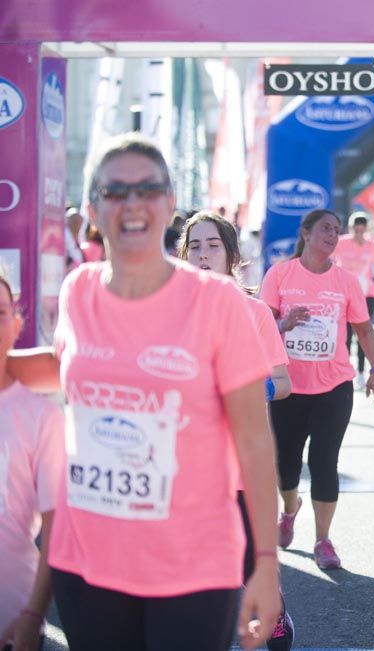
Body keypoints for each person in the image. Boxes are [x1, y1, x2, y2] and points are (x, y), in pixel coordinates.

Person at [7, 133, 282, 650]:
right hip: (86, 558)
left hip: (192, 563)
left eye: (148, 189)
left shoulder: (216, 300)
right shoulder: (78, 288)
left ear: (169, 203)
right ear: (93, 207)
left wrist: (265, 565)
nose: (132, 204)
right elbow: (66, 369)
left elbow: (254, 442)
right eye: (115, 192)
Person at [177, 211, 295, 651]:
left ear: (231, 255)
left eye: (212, 246)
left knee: (248, 563)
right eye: (194, 247)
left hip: (242, 461)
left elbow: (283, 383)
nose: (203, 255)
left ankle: (273, 607)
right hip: (184, 462)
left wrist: (241, 387)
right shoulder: (168, 310)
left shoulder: (254, 311)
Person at [260, 209, 374, 571]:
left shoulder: (345, 281)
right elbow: (261, 327)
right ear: (306, 233)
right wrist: (284, 323)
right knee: (286, 465)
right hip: (287, 388)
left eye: (336, 230)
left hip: (334, 385)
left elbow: (363, 330)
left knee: (324, 462)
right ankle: (289, 509)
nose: (333, 234)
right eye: (326, 228)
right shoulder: (280, 274)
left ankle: (323, 540)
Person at [0, 274, 63, 651]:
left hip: (12, 618)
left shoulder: (42, 418)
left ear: (17, 323)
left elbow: (56, 530)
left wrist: (33, 613)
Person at [334, 212, 374, 390]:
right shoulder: (341, 242)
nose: (359, 234)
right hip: (342, 296)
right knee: (345, 336)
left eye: (362, 231)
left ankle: (361, 372)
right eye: (356, 230)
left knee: (363, 334)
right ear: (351, 228)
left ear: (366, 230)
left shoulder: (371, 245)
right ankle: (344, 371)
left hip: (366, 295)